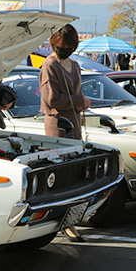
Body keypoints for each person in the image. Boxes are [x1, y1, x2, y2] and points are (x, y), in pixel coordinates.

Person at [39, 24, 91, 243]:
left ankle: (69, 220)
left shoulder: (75, 65)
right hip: (58, 125)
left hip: (75, 125)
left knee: (75, 176)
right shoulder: (49, 64)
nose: (66, 50)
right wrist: (81, 101)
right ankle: (63, 223)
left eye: (70, 47)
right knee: (61, 177)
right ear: (53, 43)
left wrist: (80, 104)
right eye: (62, 46)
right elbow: (51, 99)